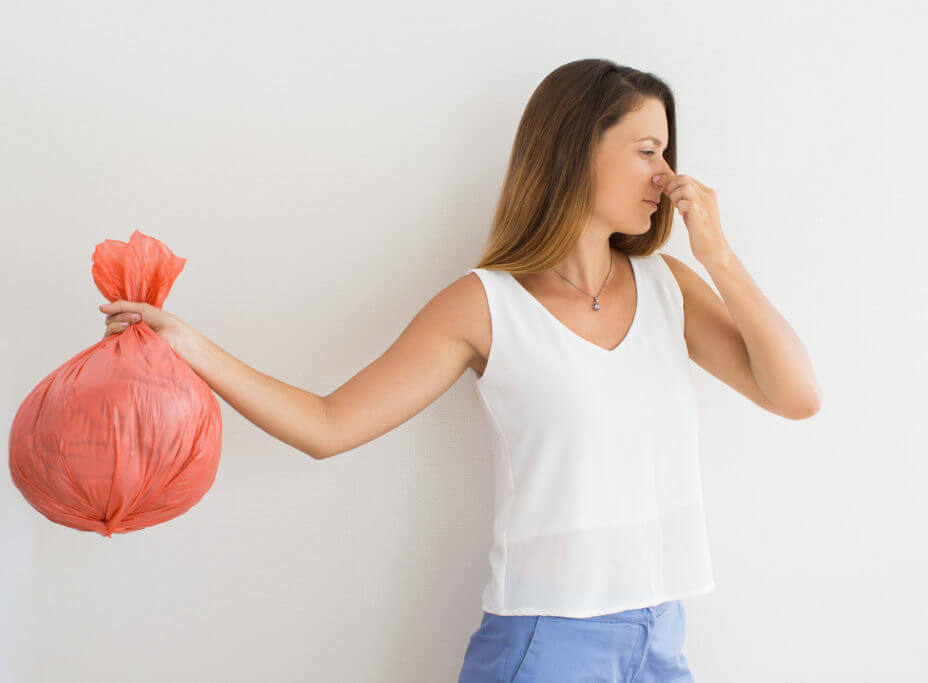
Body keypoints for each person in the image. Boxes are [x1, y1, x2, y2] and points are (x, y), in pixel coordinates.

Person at [99, 58, 822, 682]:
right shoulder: (485, 305)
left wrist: (718, 257)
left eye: (667, 151)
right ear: (576, 148)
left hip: (661, 636)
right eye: (646, 149)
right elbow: (328, 423)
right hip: (547, 643)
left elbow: (797, 395)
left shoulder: (669, 286)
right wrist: (188, 345)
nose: (667, 175)